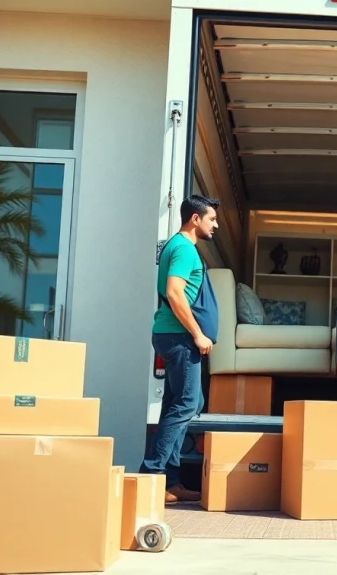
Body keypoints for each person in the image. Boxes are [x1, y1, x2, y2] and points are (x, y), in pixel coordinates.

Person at [140, 195, 221, 504]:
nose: (215, 225)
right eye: (211, 219)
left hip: (172, 336)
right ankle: (152, 476)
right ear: (195, 220)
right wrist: (199, 334)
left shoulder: (178, 247)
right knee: (187, 403)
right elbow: (175, 293)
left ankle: (171, 482)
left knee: (181, 402)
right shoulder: (185, 249)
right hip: (179, 337)